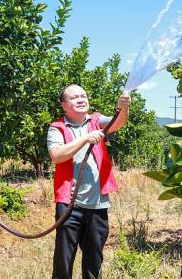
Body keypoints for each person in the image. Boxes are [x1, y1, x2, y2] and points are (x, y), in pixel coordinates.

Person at [47, 84, 130, 279]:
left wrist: (124, 107)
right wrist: (85, 139)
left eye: (83, 96)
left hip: (97, 205)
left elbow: (117, 123)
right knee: (63, 261)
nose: (81, 99)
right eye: (75, 97)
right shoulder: (56, 128)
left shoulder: (96, 121)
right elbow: (57, 155)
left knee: (94, 262)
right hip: (69, 205)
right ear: (64, 106)